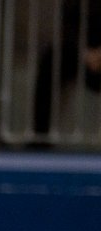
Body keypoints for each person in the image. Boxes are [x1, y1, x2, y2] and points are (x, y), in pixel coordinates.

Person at [33, 0, 101, 137]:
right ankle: (40, 136)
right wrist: (84, 53)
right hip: (81, 54)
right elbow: (67, 27)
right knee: (51, 60)